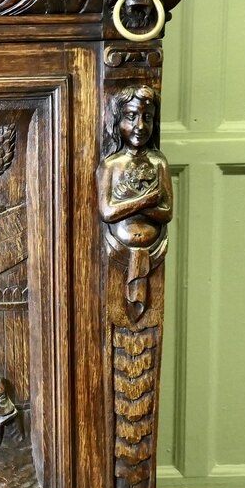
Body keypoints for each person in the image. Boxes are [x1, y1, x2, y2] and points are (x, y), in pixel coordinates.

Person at [97, 85, 172, 321]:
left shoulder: (158, 163)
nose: (140, 126)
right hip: (117, 251)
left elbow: (167, 212)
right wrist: (145, 201)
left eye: (147, 118)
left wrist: (133, 204)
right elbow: (107, 212)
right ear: (117, 120)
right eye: (131, 116)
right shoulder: (111, 165)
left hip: (153, 251)